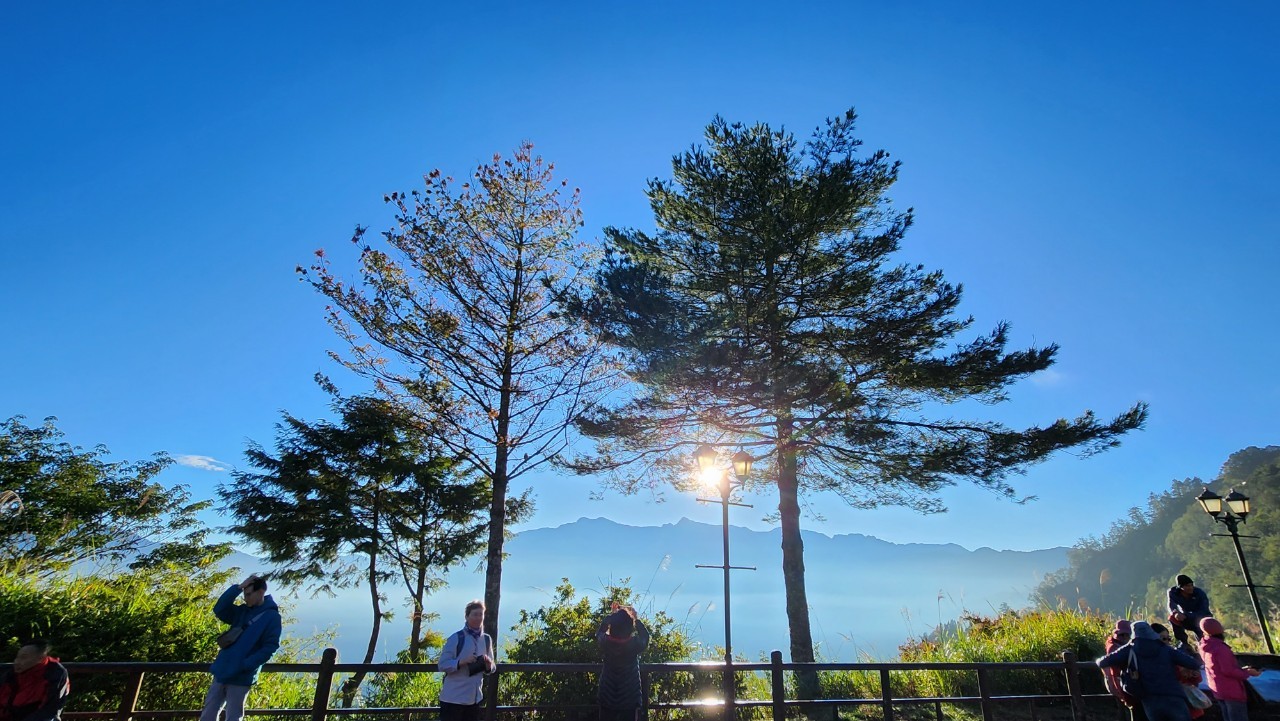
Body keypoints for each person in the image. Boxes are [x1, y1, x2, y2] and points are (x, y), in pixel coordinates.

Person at [200, 575, 282, 721]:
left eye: (248, 594)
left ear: (261, 592)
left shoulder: (272, 617)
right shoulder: (241, 612)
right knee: (207, 715)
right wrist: (238, 588)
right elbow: (219, 609)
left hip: (241, 676)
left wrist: (246, 665)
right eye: (244, 594)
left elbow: (270, 647)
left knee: (233, 717)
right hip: (222, 671)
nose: (245, 598)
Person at [1098, 621, 1202, 721]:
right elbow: (1194, 664)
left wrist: (1126, 665)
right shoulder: (1165, 648)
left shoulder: (1129, 649)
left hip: (1150, 701)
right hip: (1173, 696)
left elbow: (1102, 662)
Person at [438, 600, 495, 721]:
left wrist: (488, 665)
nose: (478, 618)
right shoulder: (456, 638)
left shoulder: (486, 639)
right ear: (467, 616)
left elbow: (492, 667)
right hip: (453, 700)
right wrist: (461, 662)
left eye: (481, 614)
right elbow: (442, 664)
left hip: (474, 700)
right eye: (475, 614)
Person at [1199, 617, 1260, 721]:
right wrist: (1247, 672)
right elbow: (1228, 670)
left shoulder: (1205, 646)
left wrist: (1240, 669)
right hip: (1231, 690)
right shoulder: (1221, 648)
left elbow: (1218, 667)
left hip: (1218, 689)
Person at [597, 603, 650, 721]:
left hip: (607, 696)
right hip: (629, 698)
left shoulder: (606, 642)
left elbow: (599, 633)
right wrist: (636, 619)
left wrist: (610, 617)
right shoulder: (634, 644)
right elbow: (645, 637)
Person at [0, 640, 69, 721]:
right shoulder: (11, 674)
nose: (17, 662)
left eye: (23, 657)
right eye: (17, 657)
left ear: (40, 658)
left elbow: (50, 709)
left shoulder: (55, 673)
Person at [1103, 620, 1143, 719]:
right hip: (1118, 682)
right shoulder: (1115, 648)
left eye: (1127, 635)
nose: (1126, 637)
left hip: (1120, 682)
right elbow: (1115, 672)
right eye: (1123, 635)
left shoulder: (1114, 644)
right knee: (1131, 707)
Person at [1168, 575, 1213, 646]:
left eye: (1191, 585)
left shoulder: (1199, 593)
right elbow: (1171, 605)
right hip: (1186, 618)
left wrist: (1187, 615)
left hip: (1202, 619)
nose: (1190, 588)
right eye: (1187, 586)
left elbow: (1204, 611)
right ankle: (1183, 644)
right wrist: (1175, 613)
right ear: (1180, 587)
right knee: (1172, 618)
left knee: (1205, 641)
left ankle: (1204, 644)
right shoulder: (1173, 592)